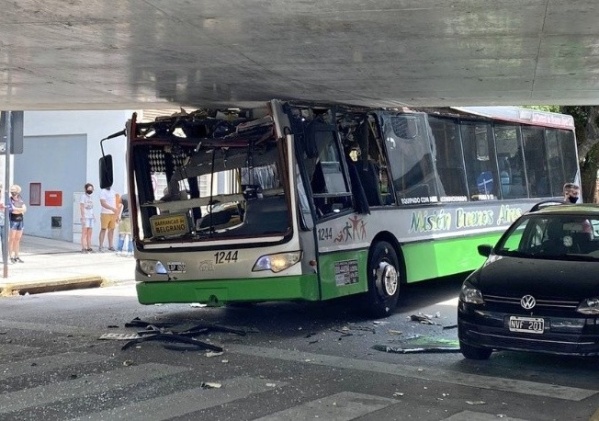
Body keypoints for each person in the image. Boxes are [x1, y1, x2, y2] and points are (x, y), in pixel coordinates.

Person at [8, 184, 26, 263]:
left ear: (18, 191)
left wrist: (19, 209)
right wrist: (20, 209)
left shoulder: (20, 199)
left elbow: (25, 209)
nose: (13, 192)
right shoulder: (9, 200)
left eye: (14, 191)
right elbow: (13, 210)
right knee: (11, 238)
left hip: (20, 220)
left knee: (17, 239)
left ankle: (16, 256)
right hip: (13, 220)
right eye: (12, 191)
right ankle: (10, 256)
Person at [98, 185, 120, 252]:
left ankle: (110, 246)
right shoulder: (103, 192)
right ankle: (101, 246)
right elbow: (103, 203)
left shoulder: (113, 192)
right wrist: (111, 208)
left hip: (113, 214)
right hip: (105, 213)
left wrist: (117, 215)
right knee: (103, 229)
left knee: (111, 230)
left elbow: (117, 204)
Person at [79, 183, 95, 253]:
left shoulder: (91, 197)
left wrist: (93, 215)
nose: (90, 190)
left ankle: (89, 247)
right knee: (84, 233)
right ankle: (83, 247)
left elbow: (91, 207)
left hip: (91, 217)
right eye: (89, 189)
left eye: (91, 189)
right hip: (86, 217)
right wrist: (83, 217)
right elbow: (82, 207)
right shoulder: (83, 197)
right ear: (85, 189)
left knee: (89, 233)